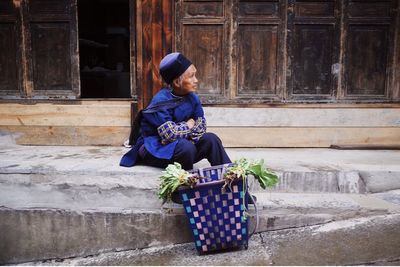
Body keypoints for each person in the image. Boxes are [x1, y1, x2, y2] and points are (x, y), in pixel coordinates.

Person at [120, 52, 231, 170]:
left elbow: (201, 126)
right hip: (155, 149)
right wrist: (188, 125)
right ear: (177, 82)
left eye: (195, 75)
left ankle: (229, 174)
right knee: (186, 147)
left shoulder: (193, 98)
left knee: (211, 139)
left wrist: (178, 134)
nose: (196, 80)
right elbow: (169, 134)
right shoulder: (160, 101)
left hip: (179, 148)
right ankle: (187, 182)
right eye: (191, 76)